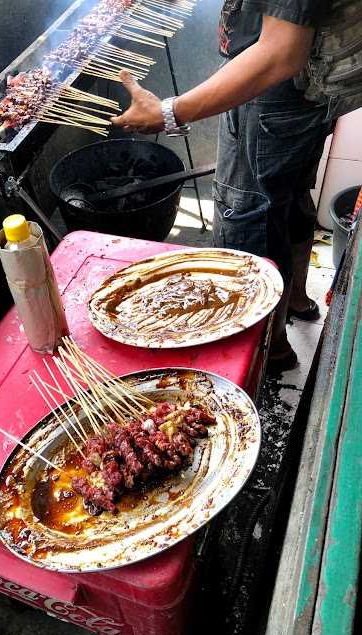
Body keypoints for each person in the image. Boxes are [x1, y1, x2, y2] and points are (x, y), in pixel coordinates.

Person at [111, 0, 332, 371]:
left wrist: (168, 113)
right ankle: (296, 300)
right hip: (307, 86)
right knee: (287, 195)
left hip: (272, 87)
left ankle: (266, 350)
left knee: (246, 213)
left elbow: (281, 53)